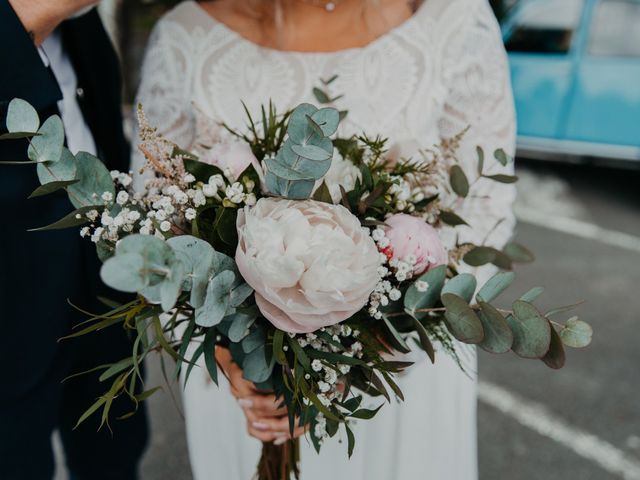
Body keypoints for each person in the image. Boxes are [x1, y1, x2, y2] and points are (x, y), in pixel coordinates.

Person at [134, 0, 516, 478]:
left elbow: (484, 215)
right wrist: (236, 359)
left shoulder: (457, 21)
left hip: (400, 369)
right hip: (243, 382)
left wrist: (355, 354)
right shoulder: (183, 34)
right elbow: (156, 222)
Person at [0, 1, 148, 479]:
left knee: (115, 448)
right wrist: (32, 16)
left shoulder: (81, 24)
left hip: (103, 275)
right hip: (11, 293)